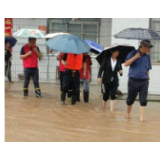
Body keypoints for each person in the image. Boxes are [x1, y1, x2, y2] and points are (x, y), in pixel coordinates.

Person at [125, 40, 153, 122]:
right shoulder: (132, 53)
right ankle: (128, 114)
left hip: (144, 81)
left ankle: (141, 118)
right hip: (133, 80)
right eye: (148, 47)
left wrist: (148, 79)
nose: (149, 49)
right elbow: (126, 64)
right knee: (130, 99)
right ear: (143, 47)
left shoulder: (147, 57)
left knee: (143, 100)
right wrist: (134, 57)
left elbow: (148, 69)